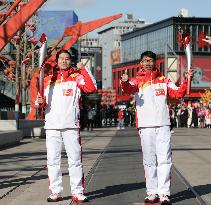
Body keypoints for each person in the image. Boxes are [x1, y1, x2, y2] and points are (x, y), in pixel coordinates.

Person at [121, 51, 193, 205]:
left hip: (163, 124)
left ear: (155, 63)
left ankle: (164, 194)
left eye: (150, 61)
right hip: (145, 125)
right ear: (141, 63)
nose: (148, 63)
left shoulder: (164, 80)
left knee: (164, 159)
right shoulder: (137, 81)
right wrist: (124, 82)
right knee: (149, 160)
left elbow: (178, 93)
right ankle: (151, 193)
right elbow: (128, 89)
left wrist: (187, 79)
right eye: (145, 61)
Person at [37, 50, 97, 203]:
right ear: (57, 61)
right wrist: (39, 102)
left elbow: (91, 88)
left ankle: (77, 192)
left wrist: (83, 68)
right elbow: (41, 103)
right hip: (52, 126)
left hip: (71, 125)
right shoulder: (47, 80)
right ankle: (55, 192)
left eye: (67, 59)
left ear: (70, 61)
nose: (64, 61)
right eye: (61, 59)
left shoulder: (76, 77)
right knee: (52, 160)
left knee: (75, 160)